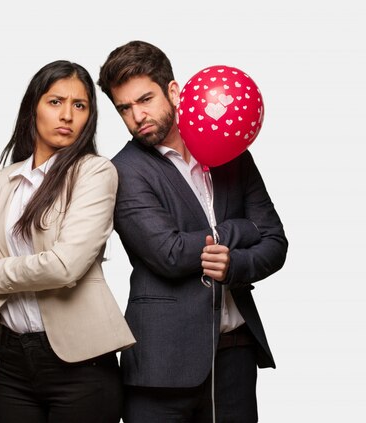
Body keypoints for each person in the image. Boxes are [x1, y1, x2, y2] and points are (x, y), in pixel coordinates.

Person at [97, 40, 288, 422]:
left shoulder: (231, 152)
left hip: (234, 353)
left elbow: (275, 242)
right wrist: (239, 230)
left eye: (145, 99)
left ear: (173, 91)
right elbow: (170, 253)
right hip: (162, 364)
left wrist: (233, 265)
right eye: (125, 109)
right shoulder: (124, 170)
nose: (137, 116)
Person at [0, 60, 136, 423]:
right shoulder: (2, 180)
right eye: (55, 101)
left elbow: (65, 267)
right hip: (13, 363)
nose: (67, 115)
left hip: (81, 365)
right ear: (33, 108)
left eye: (80, 105)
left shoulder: (95, 172)